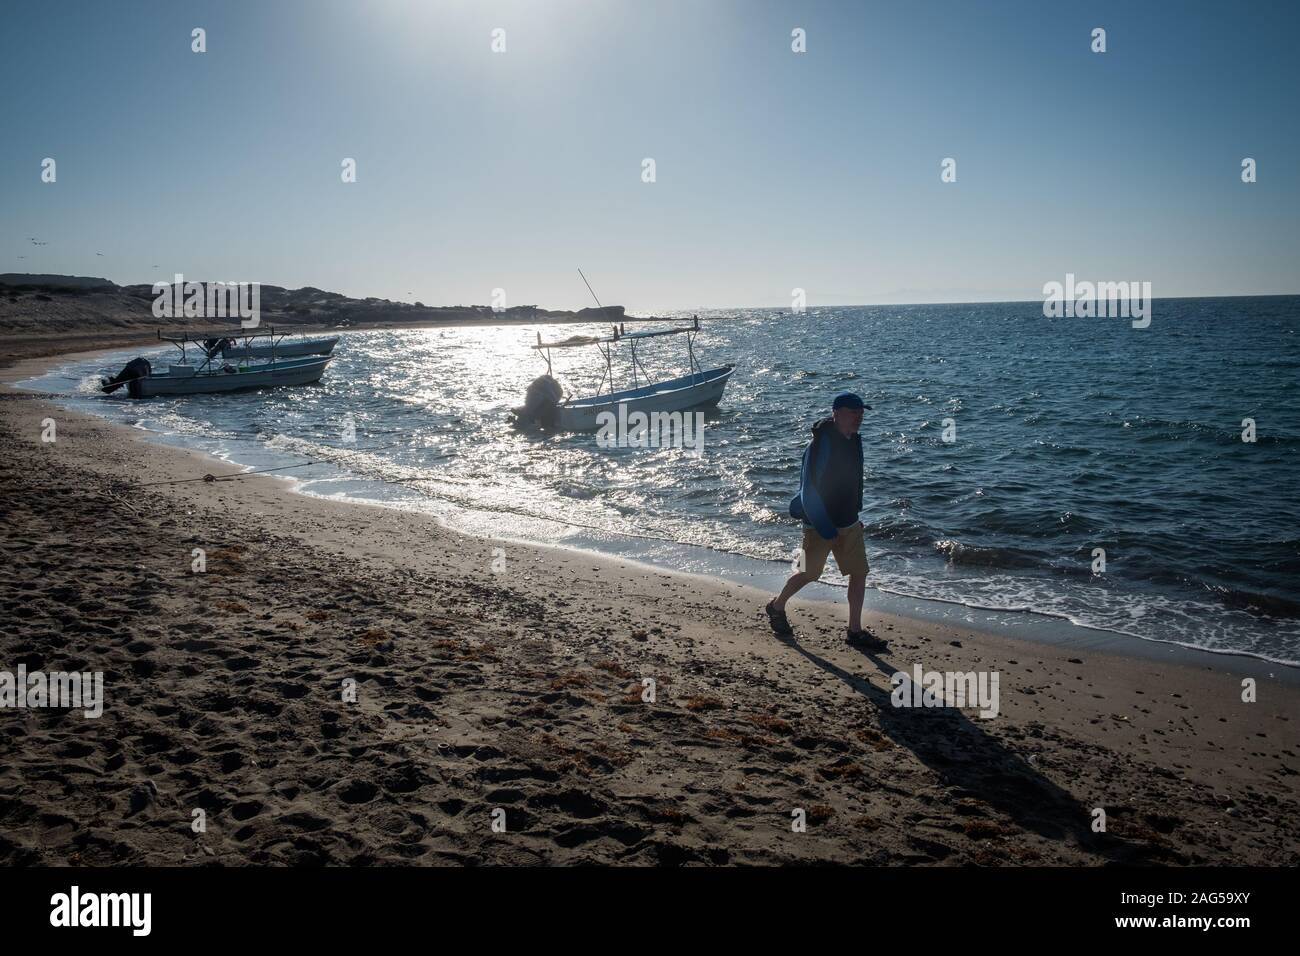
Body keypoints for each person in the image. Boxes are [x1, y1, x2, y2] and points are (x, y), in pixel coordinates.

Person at [765, 392, 887, 649]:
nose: (859, 417)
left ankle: (854, 630)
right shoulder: (819, 445)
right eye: (853, 412)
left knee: (859, 573)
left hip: (849, 522)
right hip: (817, 525)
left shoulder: (854, 440)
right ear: (836, 413)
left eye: (861, 413)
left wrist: (856, 512)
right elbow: (808, 490)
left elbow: (855, 480)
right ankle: (776, 606)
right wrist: (824, 526)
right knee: (808, 572)